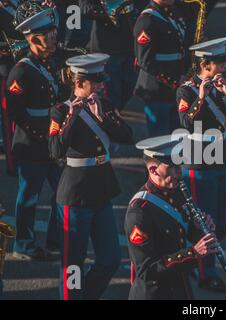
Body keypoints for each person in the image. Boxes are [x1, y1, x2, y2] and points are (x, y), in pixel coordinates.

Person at [48, 53, 133, 300]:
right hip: (74, 193)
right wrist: (73, 118)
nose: (100, 86)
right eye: (94, 82)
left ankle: (86, 295)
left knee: (110, 259)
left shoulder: (104, 105)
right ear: (78, 83)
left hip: (102, 189)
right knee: (73, 261)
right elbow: (55, 150)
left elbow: (127, 136)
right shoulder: (60, 111)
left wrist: (102, 119)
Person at [176, 37, 226, 292]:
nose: (225, 66)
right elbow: (186, 121)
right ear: (205, 64)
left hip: (221, 154)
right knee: (205, 220)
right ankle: (207, 273)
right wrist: (202, 98)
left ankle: (195, 255)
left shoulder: (221, 85)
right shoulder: (186, 90)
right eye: (220, 62)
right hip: (198, 159)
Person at [125, 134, 219, 300]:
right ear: (153, 170)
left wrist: (200, 229)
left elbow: (184, 235)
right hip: (156, 294)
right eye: (172, 166)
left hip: (180, 287)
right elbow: (147, 271)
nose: (179, 171)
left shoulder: (177, 192)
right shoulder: (140, 211)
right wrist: (192, 253)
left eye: (179, 165)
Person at [6, 0, 62, 260]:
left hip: (52, 141)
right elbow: (15, 112)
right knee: (29, 196)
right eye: (49, 36)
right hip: (32, 144)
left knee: (61, 191)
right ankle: (23, 244)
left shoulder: (51, 63)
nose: (54, 39)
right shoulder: (21, 71)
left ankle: (55, 240)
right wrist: (41, 136)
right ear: (35, 39)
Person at [134, 0, 188, 137]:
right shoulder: (147, 20)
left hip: (175, 87)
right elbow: (145, 62)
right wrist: (174, 81)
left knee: (177, 136)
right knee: (160, 139)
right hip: (157, 88)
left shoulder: (170, 13)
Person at [80, 0, 139, 111]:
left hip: (130, 44)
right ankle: (110, 120)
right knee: (111, 95)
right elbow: (85, 8)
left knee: (130, 87)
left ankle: (115, 116)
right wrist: (112, 9)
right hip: (106, 48)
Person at [1, 0, 25, 176]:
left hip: (28, 68)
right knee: (10, 119)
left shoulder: (28, 3)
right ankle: (14, 164)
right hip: (6, 71)